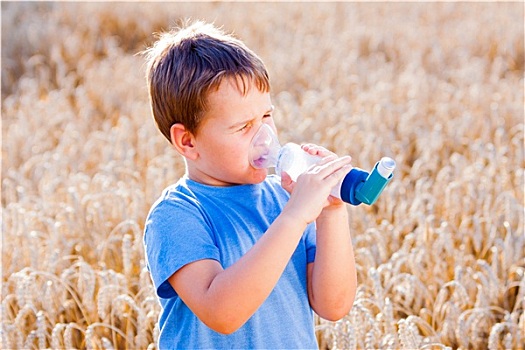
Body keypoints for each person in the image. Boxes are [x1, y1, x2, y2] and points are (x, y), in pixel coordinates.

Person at [143, 20, 357, 349]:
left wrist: (331, 212)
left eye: (266, 117)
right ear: (187, 141)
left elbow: (334, 305)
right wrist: (295, 218)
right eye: (244, 126)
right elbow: (222, 312)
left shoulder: (285, 199)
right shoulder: (176, 215)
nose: (265, 137)